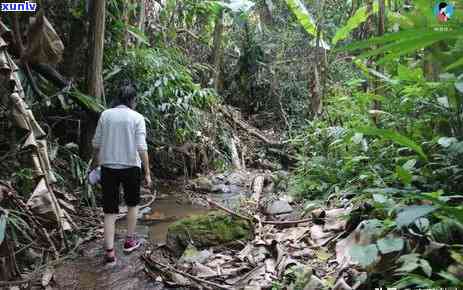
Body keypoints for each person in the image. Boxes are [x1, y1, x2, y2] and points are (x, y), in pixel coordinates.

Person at [90, 82, 152, 266]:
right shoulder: (137, 117)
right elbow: (142, 148)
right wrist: (147, 172)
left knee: (109, 210)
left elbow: (96, 144)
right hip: (131, 167)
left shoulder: (105, 115)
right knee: (132, 204)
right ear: (133, 99)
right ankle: (129, 241)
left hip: (108, 167)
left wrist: (95, 164)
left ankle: (109, 252)